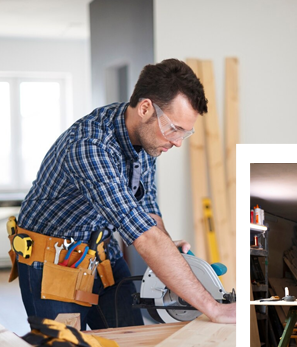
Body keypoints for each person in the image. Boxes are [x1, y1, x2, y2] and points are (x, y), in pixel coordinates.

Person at [14, 58, 249, 330]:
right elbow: (144, 237)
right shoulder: (89, 146)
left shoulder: (146, 139)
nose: (177, 142)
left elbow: (148, 210)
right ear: (146, 108)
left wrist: (170, 251)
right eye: (174, 129)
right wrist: (214, 309)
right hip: (53, 263)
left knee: (130, 346)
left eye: (186, 133)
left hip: (101, 253)